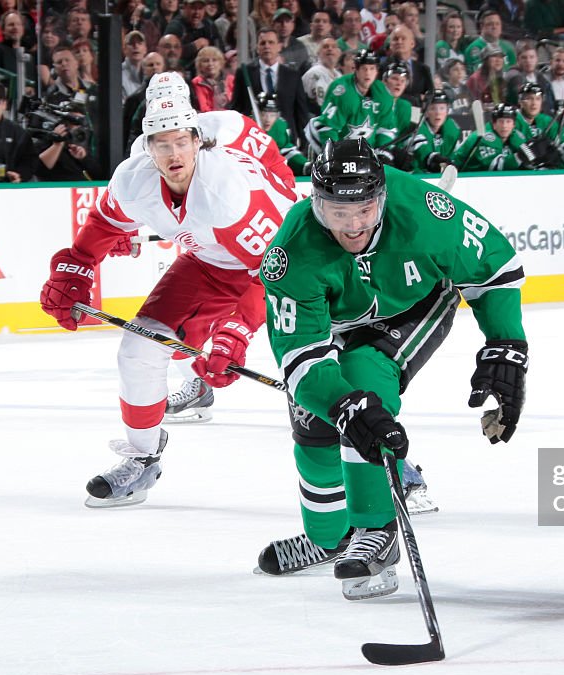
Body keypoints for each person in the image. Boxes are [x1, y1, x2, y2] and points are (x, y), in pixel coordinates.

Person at [254, 139, 527, 597]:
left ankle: (374, 530)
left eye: (363, 209)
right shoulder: (290, 253)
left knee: (365, 379)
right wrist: (341, 406)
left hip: (412, 308)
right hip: (335, 325)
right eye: (338, 213)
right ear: (316, 203)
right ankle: (329, 540)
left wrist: (506, 342)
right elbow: (300, 356)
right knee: (316, 424)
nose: (353, 224)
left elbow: (494, 267)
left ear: (381, 196)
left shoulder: (424, 211)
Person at [39, 94, 298, 507]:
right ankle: (142, 458)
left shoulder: (228, 192)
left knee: (322, 361)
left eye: (181, 141)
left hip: (292, 263)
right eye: (161, 143)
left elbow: (274, 272)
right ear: (147, 147)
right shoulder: (133, 178)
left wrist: (237, 330)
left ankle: (382, 460)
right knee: (138, 348)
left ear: (199, 140)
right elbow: (104, 222)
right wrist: (77, 264)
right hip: (211, 260)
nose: (173, 153)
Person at [304, 49, 396, 157]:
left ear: (377, 71)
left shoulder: (382, 93)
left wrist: (382, 153)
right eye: (364, 68)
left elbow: (386, 128)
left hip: (363, 150)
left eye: (372, 69)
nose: (368, 73)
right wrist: (333, 155)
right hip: (329, 141)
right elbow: (328, 127)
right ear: (356, 69)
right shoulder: (342, 90)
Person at [451, 102, 525, 172]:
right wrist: (521, 156)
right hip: (464, 178)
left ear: (514, 125)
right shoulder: (484, 137)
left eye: (508, 121)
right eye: (501, 121)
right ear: (494, 124)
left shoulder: (516, 136)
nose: (504, 126)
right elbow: (495, 167)